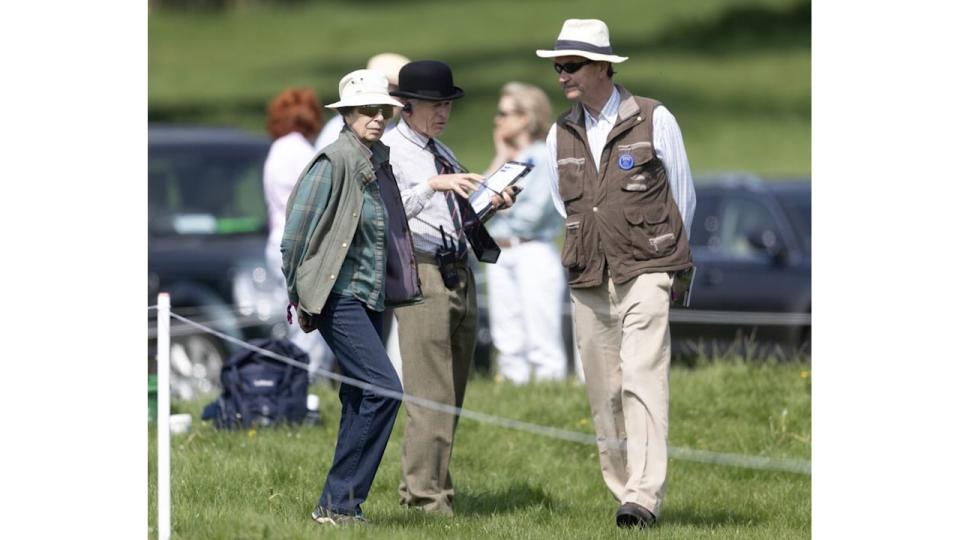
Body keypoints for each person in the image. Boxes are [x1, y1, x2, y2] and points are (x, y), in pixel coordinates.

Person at [536, 19, 696, 529]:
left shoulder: (654, 117)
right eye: (559, 66)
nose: (563, 75)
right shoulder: (557, 134)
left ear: (603, 66)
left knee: (642, 379)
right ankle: (624, 490)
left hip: (648, 268)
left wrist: (668, 267)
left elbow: (683, 195)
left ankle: (644, 497)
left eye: (572, 65)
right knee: (604, 391)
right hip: (588, 275)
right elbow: (561, 205)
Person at [280, 69, 422, 526]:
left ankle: (336, 507)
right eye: (367, 110)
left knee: (361, 395)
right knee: (385, 390)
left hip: (369, 296)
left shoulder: (378, 161)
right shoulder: (333, 161)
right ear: (346, 114)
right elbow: (294, 237)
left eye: (383, 110)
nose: (378, 118)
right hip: (336, 295)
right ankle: (340, 502)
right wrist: (299, 298)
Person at [382, 60, 514, 516]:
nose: (443, 112)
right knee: (429, 393)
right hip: (420, 269)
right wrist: (433, 184)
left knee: (452, 394)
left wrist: (490, 203)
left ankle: (431, 488)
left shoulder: (443, 151)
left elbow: (458, 220)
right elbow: (388, 215)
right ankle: (424, 499)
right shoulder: (390, 151)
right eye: (434, 105)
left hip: (458, 266)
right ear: (407, 106)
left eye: (447, 104)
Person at [482, 82, 566, 384]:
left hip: (533, 249)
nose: (498, 120)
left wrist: (499, 209)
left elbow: (534, 212)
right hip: (501, 250)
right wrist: (499, 158)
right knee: (506, 334)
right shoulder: (508, 160)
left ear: (526, 117)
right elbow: (472, 209)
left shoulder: (543, 156)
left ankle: (549, 389)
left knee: (541, 330)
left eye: (505, 113)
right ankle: (513, 388)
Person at [262, 87, 336, 380]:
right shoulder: (303, 153)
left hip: (275, 241)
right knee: (310, 323)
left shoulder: (276, 150)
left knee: (293, 319)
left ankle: (297, 382)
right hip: (300, 246)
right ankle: (307, 383)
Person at [315, 53, 410, 152]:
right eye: (387, 91)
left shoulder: (398, 130)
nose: (394, 100)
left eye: (399, 93)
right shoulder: (336, 129)